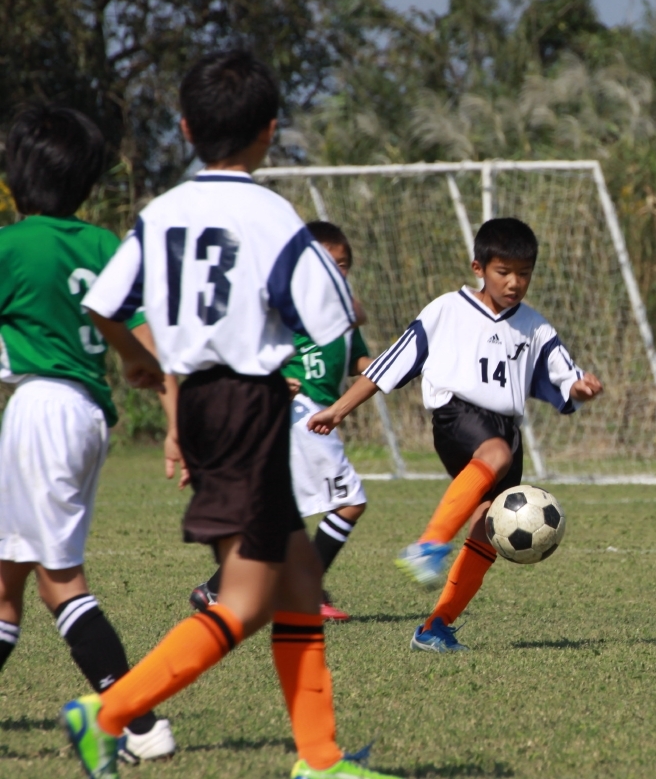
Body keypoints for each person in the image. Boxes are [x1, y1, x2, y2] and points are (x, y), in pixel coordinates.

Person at [64, 50, 395, 778]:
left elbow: (104, 303)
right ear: (270, 131)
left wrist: (135, 359)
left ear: (185, 128)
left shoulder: (162, 212)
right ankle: (108, 713)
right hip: (249, 404)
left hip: (202, 399)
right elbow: (336, 318)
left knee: (299, 576)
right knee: (245, 601)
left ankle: (320, 759)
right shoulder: (273, 215)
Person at [308, 217, 603, 653]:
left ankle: (435, 627)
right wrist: (338, 409)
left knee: (488, 529)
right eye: (504, 272)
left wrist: (580, 389)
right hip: (457, 416)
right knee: (495, 454)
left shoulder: (536, 327)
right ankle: (429, 544)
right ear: (478, 268)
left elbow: (565, 378)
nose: (514, 283)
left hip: (507, 430)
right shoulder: (446, 310)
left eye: (524, 273)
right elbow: (389, 364)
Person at [0, 103, 175, 764]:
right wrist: (174, 420)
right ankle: (137, 718)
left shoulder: (12, 246)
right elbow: (151, 344)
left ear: (16, 177)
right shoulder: (106, 246)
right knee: (9, 581)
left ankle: (138, 721)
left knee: (61, 580)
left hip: (40, 411)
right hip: (85, 416)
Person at [190, 221, 372, 621]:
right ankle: (305, 589)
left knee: (278, 513)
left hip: (314, 416)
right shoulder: (291, 307)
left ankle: (215, 590)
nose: (337, 273)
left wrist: (398, 366)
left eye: (343, 265)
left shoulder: (339, 318)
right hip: (301, 414)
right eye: (327, 265)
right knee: (350, 502)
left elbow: (359, 360)